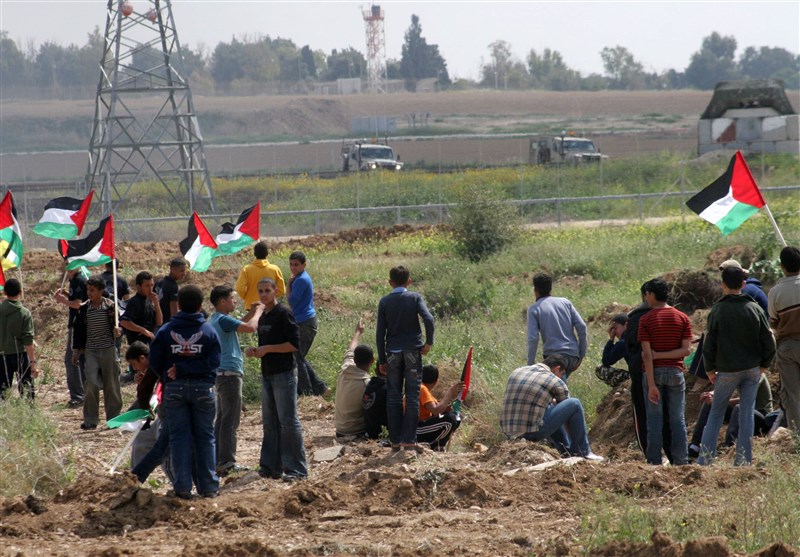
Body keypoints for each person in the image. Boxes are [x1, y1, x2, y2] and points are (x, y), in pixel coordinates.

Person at [697, 266, 775, 466]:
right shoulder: (754, 308)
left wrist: (709, 369)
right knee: (746, 413)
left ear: (723, 285)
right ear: (743, 284)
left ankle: (705, 459)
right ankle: (743, 461)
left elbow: (709, 343)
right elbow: (769, 341)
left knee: (715, 413)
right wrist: (764, 366)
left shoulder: (718, 310)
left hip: (727, 370)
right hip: (752, 370)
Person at [149, 285, 221, 499]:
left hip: (174, 390)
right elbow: (214, 362)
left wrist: (170, 374)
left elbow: (154, 360)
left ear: (178, 304)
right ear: (200, 306)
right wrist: (192, 369)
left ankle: (182, 487)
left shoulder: (165, 331)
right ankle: (209, 487)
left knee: (179, 437)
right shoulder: (208, 331)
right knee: (206, 437)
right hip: (203, 389)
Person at [245, 278, 307, 482]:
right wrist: (256, 352)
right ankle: (270, 466)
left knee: (288, 422)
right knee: (270, 423)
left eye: (267, 291)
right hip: (268, 373)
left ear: (276, 292)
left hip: (284, 373)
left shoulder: (283, 313)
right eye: (260, 291)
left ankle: (296, 469)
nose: (263, 295)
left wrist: (268, 349)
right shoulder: (264, 315)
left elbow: (294, 345)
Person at [376, 265, 435, 452]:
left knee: (393, 396)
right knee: (412, 396)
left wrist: (382, 359)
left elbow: (380, 333)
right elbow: (429, 319)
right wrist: (428, 343)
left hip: (392, 352)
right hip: (412, 351)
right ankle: (409, 440)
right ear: (409, 281)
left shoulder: (385, 301)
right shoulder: (415, 297)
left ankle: (395, 440)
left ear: (390, 282)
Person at [500, 354, 603, 461]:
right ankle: (582, 451)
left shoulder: (517, 372)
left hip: (508, 432)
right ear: (557, 368)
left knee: (549, 405)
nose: (561, 377)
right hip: (530, 433)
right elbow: (567, 416)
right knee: (574, 404)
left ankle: (565, 450)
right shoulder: (555, 381)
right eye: (561, 374)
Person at [208, 284, 263, 476]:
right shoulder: (222, 320)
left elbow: (237, 325)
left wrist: (252, 311)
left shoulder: (216, 319)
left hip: (221, 374)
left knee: (222, 420)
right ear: (222, 301)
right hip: (230, 375)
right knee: (230, 422)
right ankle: (227, 463)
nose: (235, 301)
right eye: (232, 298)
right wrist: (259, 313)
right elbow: (250, 328)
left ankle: (217, 461)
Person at [638, 277, 692, 466]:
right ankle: (681, 461)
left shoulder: (646, 320)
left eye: (646, 294)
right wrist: (665, 355)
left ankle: (654, 461)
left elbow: (647, 355)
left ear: (652, 294)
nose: (646, 298)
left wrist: (652, 384)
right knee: (678, 419)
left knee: (654, 420)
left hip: (654, 373)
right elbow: (686, 350)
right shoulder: (682, 317)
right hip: (676, 373)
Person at [72, 276, 123, 429]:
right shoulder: (84, 309)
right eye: (88, 290)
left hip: (108, 349)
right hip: (91, 351)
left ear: (101, 291)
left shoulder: (110, 307)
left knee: (111, 384)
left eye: (93, 290)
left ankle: (114, 419)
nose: (90, 293)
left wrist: (118, 331)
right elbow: (78, 331)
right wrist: (76, 350)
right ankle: (91, 419)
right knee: (91, 383)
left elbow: (120, 326)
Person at [527, 272, 587, 379]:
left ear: (535, 290)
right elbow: (582, 327)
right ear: (550, 288)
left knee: (555, 390)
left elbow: (533, 338)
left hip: (554, 359)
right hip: (573, 356)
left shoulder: (534, 309)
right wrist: (581, 355)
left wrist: (530, 364)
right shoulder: (565, 302)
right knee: (559, 386)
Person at [767, 245, 800, 434]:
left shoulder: (775, 292)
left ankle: (797, 436)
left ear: (782, 266)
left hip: (787, 347)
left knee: (793, 394)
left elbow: (774, 323)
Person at [287, 251, 328, 397]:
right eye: (291, 264)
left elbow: (291, 301)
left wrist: (288, 285)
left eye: (296, 265)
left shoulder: (300, 280)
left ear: (304, 265)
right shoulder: (300, 278)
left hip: (305, 323)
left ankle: (307, 393)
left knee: (297, 357)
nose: (293, 268)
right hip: (304, 321)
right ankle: (320, 388)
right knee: (298, 356)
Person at [626, 283, 657, 457]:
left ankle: (649, 453)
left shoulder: (636, 318)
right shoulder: (673, 315)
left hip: (641, 372)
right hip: (668, 369)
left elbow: (632, 349)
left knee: (642, 413)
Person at [0, 279, 38, 399]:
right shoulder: (24, 313)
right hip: (20, 355)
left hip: (1, 356)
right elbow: (28, 340)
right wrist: (33, 364)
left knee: (2, 394)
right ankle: (28, 416)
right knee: (27, 393)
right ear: (21, 292)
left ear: (5, 292)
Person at [55, 266, 87, 407]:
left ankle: (78, 396)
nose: (66, 266)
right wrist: (67, 295)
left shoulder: (79, 280)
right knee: (80, 359)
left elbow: (78, 304)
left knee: (71, 360)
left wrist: (63, 301)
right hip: (79, 324)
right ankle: (84, 392)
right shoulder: (74, 280)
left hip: (77, 325)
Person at [334, 320, 372, 438]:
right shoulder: (367, 383)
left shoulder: (344, 370)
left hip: (339, 430)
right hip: (357, 432)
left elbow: (350, 350)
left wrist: (358, 332)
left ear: (354, 360)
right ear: (373, 361)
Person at [416, 364, 464, 451]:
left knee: (456, 416)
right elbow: (436, 411)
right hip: (416, 430)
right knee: (450, 420)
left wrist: (457, 399)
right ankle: (434, 445)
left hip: (421, 427)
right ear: (436, 381)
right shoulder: (422, 388)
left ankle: (437, 445)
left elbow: (443, 409)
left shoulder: (423, 390)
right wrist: (450, 392)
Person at [236, 241, 285, 307]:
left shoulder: (246, 269)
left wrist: (248, 298)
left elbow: (240, 289)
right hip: (269, 307)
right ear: (267, 253)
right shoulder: (275, 269)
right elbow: (281, 290)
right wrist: (270, 297)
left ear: (254, 254)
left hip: (252, 307)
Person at [120, 271, 163, 346]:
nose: (150, 289)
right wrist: (143, 330)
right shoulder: (134, 302)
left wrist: (156, 304)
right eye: (147, 286)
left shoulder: (149, 301)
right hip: (137, 345)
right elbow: (124, 322)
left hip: (148, 344)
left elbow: (159, 322)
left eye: (151, 285)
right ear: (139, 287)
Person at [595, 313, 629, 388]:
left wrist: (611, 339)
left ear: (626, 325)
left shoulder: (624, 342)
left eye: (615, 328)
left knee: (600, 370)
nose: (614, 332)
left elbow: (606, 361)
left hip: (637, 377)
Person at [156, 257, 187, 324]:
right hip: (166, 323)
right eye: (182, 271)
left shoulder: (159, 282)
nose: (184, 273)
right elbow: (174, 312)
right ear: (172, 270)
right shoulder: (173, 286)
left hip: (156, 321)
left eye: (184, 271)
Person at [363, 367, 388, 440]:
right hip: (380, 433)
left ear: (376, 371)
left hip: (369, 431)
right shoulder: (387, 388)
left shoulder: (370, 385)